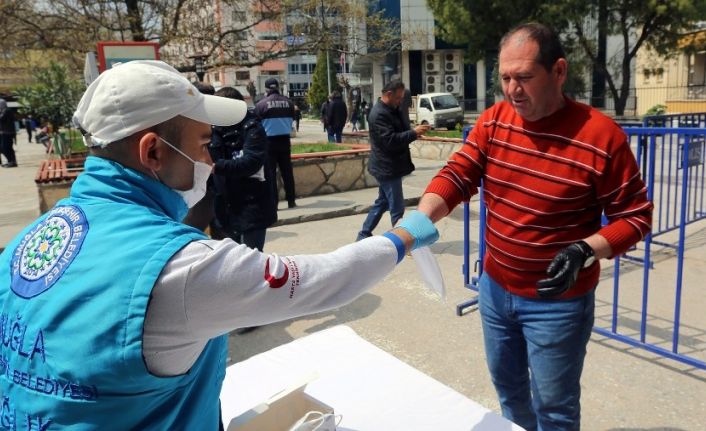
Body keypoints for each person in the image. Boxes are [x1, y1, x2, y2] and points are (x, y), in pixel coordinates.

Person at [0, 60, 439, 429]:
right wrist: (405, 235)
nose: (210, 160)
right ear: (152, 152)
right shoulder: (179, 268)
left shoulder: (29, 241)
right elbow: (325, 281)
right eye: (203, 145)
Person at [416, 23, 653, 431]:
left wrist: (586, 249)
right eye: (506, 78)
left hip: (557, 305)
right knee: (508, 389)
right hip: (494, 291)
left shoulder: (601, 136)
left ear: (558, 72)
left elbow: (636, 216)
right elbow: (458, 174)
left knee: (554, 409)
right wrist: (419, 221)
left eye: (524, 77)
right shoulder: (494, 122)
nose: (513, 90)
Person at [356, 81, 430, 240]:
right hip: (386, 167)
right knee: (397, 208)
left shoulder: (391, 109)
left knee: (382, 202)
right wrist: (413, 133)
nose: (400, 101)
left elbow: (399, 132)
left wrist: (414, 131)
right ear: (388, 94)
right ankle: (402, 242)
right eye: (398, 98)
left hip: (390, 165)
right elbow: (390, 140)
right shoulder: (379, 114)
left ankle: (363, 236)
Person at [255, 77, 297, 208]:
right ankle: (291, 200)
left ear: (267, 89)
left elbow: (256, 124)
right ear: (277, 87)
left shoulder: (261, 104)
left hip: (269, 142)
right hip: (285, 140)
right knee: (287, 172)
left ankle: (274, 203)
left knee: (271, 174)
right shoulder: (289, 103)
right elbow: (293, 119)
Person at [0, 98, 17, 168]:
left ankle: (12, 161)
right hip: (6, 132)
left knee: (5, 148)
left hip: (8, 132)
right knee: (7, 147)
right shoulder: (5, 111)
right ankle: (11, 161)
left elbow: (1, 119)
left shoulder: (7, 111)